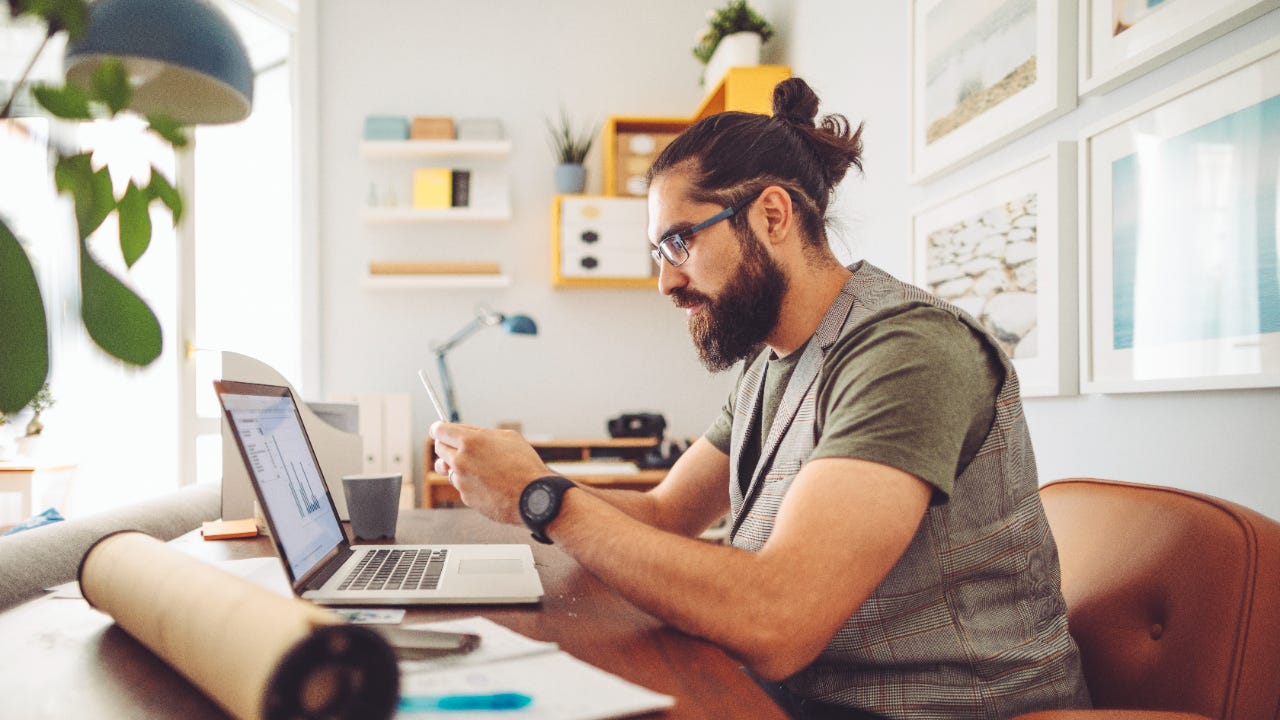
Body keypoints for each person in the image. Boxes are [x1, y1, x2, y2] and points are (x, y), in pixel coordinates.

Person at [429, 77, 1091, 720]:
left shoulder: (910, 351)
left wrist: (542, 501)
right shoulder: (771, 361)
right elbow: (665, 514)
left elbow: (778, 621)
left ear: (771, 215)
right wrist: (527, 479)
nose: (666, 282)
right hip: (796, 695)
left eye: (679, 241)